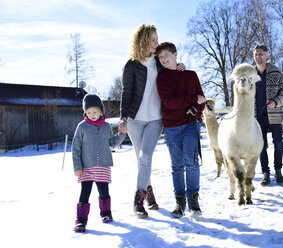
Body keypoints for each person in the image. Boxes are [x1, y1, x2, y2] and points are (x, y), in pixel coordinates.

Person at [119, 24, 185, 219]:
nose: (157, 43)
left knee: (145, 156)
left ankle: (138, 200)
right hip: (135, 121)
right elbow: (125, 92)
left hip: (156, 119)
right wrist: (123, 117)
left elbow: (172, 75)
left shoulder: (159, 62)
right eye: (153, 40)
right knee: (141, 160)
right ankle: (149, 192)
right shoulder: (131, 64)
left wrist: (180, 67)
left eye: (157, 39)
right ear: (143, 41)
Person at [156, 42, 206, 218]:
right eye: (160, 57)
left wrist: (196, 108)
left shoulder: (191, 75)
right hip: (172, 127)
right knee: (177, 165)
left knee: (191, 162)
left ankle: (193, 201)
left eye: (166, 55)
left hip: (191, 124)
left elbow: (203, 99)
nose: (163, 59)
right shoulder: (161, 79)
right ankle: (179, 202)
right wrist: (192, 100)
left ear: (175, 55)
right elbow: (169, 102)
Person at [72, 94, 126, 233]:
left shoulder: (106, 126)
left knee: (104, 192)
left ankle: (106, 214)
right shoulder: (82, 127)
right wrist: (77, 167)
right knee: (85, 193)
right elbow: (76, 147)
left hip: (103, 166)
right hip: (86, 167)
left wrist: (121, 134)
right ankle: (81, 221)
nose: (92, 115)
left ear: (101, 112)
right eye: (88, 112)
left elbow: (112, 144)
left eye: (94, 112)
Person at [253, 44, 283, 186]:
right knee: (261, 146)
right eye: (256, 54)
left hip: (275, 115)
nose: (258, 56)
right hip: (258, 117)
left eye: (261, 54)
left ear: (267, 55)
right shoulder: (251, 74)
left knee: (279, 144)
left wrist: (275, 101)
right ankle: (265, 173)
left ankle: (278, 170)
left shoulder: (276, 72)